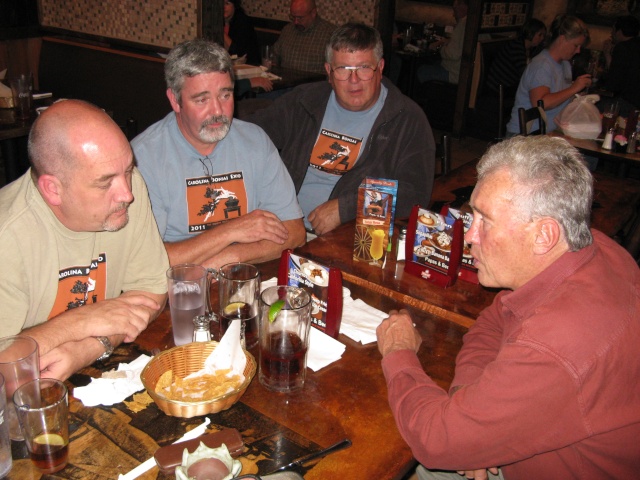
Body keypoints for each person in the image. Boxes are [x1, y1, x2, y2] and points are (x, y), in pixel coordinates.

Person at [376, 135, 640, 479]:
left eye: (485, 221)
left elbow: (437, 441)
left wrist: (398, 353)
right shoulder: (595, 248)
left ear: (544, 235)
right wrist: (474, 407)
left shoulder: (556, 343)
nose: (469, 235)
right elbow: (495, 318)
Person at [0, 100, 169, 381]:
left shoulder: (128, 188)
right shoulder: (8, 236)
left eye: (127, 170)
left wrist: (91, 346)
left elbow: (151, 291)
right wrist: (79, 322)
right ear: (53, 189)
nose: (126, 193)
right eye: (105, 182)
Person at [246, 23, 435, 236]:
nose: (354, 81)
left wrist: (347, 208)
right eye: (343, 69)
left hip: (347, 239)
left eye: (364, 68)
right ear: (329, 71)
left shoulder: (407, 119)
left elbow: (415, 195)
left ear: (380, 68)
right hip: (281, 228)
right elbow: (251, 135)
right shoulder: (304, 101)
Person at [132, 39, 305, 268]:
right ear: (175, 100)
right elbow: (145, 261)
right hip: (180, 291)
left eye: (225, 95)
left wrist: (228, 258)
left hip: (244, 277)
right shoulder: (142, 158)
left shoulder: (255, 141)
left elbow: (294, 233)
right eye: (202, 99)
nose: (217, 111)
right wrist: (231, 230)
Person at [505, 15, 592, 136]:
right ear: (562, 39)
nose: (578, 51)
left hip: (548, 132)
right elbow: (541, 103)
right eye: (575, 45)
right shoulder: (541, 65)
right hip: (524, 136)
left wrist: (578, 98)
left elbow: (561, 97)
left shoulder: (565, 64)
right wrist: (574, 88)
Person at [485, 18, 547, 98]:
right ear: (531, 33)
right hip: (497, 88)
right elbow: (524, 73)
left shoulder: (530, 49)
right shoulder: (516, 47)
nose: (542, 38)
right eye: (540, 35)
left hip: (509, 87)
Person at [272, 0, 337, 74]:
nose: (296, 22)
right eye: (293, 17)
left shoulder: (329, 34)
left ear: (313, 13)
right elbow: (274, 56)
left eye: (300, 18)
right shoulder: (287, 30)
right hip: (286, 82)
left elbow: (335, 69)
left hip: (314, 84)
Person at [416, 0, 468, 85]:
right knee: (433, 63)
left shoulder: (463, 24)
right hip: (466, 74)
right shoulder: (474, 23)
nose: (454, 10)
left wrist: (441, 47)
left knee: (422, 70)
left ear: (464, 6)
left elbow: (452, 54)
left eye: (457, 6)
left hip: (454, 75)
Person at [601, 15, 640, 118]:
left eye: (613, 30)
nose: (611, 34)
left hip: (628, 103)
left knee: (593, 105)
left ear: (619, 31)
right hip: (635, 102)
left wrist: (607, 54)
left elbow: (613, 84)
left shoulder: (622, 48)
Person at [223, 0, 260, 65]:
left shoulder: (243, 22)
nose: (223, 7)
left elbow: (237, 52)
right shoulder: (219, 21)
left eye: (227, 3)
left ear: (234, 6)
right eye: (221, 3)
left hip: (249, 66)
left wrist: (221, 32)